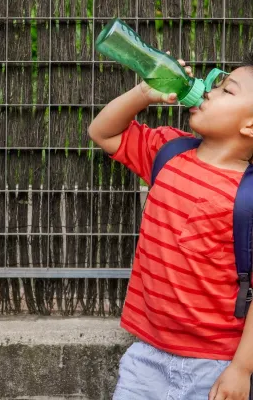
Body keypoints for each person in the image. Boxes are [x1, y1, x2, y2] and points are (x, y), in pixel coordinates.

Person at [88, 54, 253, 400]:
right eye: (215, 83)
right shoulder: (168, 150)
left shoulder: (249, 197)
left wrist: (241, 369)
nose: (208, 90)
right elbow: (101, 132)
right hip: (146, 356)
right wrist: (144, 93)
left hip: (217, 365)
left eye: (227, 90)